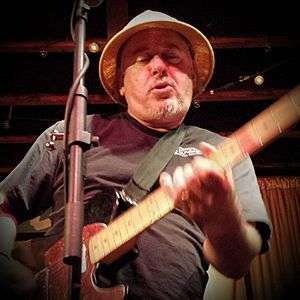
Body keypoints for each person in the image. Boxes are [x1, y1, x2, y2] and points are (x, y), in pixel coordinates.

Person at [0, 10, 271, 300]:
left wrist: (222, 217)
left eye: (172, 56)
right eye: (142, 59)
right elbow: (5, 200)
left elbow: (236, 264)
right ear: (120, 83)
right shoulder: (73, 131)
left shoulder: (221, 152)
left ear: (192, 74)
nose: (159, 66)